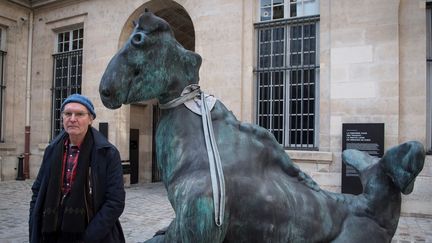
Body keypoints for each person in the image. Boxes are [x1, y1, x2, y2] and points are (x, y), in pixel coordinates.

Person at [29, 94, 125, 243]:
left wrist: (88, 238)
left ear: (91, 119)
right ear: (62, 117)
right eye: (68, 114)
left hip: (91, 234)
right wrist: (34, 228)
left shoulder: (107, 153)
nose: (72, 119)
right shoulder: (52, 150)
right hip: (52, 233)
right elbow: (38, 191)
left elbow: (115, 201)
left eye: (79, 114)